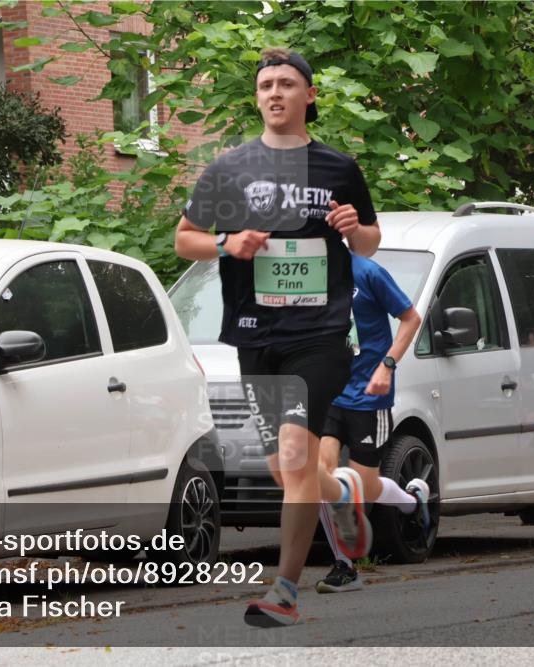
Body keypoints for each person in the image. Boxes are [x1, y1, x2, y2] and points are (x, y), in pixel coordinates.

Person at [175, 46, 381, 627]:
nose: (275, 93)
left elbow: (369, 241)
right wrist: (225, 244)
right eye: (266, 84)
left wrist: (352, 227)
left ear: (308, 96)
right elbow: (184, 238)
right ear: (257, 96)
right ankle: (341, 498)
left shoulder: (338, 168)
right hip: (254, 335)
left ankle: (285, 590)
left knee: (294, 454)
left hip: (318, 335)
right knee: (285, 470)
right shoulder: (230, 170)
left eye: (287, 83)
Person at [314, 252, 428, 593]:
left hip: (369, 395)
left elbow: (410, 319)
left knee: (367, 486)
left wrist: (387, 364)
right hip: (329, 393)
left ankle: (412, 501)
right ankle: (344, 566)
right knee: (320, 476)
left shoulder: (368, 273)